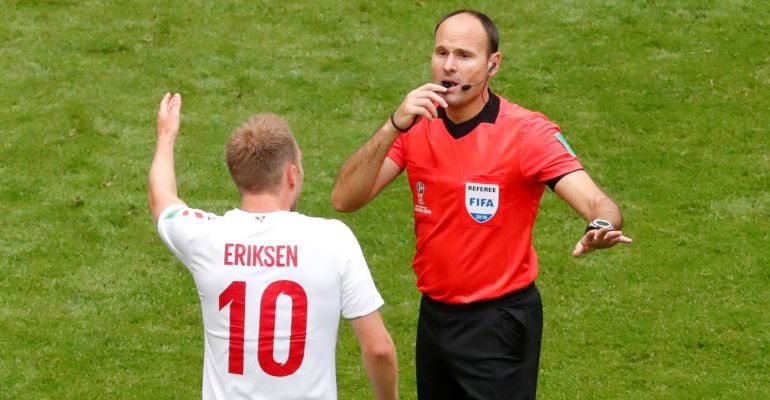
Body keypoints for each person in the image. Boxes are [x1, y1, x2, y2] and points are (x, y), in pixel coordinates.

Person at [331, 9, 632, 400]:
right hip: (435, 316)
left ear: (493, 65)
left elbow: (598, 202)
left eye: (464, 55)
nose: (449, 67)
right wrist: (394, 125)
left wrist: (601, 227)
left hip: (499, 322)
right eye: (441, 53)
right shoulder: (416, 126)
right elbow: (345, 198)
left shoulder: (527, 133)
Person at [148, 93, 398, 400]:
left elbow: (162, 199)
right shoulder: (333, 240)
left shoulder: (206, 237)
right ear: (291, 174)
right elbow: (379, 348)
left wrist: (166, 135)